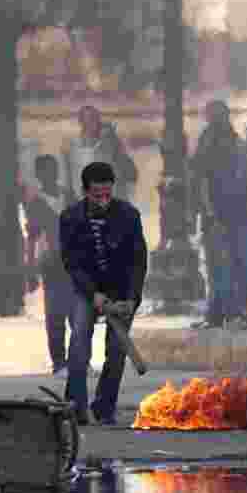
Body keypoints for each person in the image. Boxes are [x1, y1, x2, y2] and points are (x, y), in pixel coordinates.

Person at [60, 162, 148, 426]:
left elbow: (138, 260)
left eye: (108, 194)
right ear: (85, 192)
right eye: (97, 195)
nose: (104, 200)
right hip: (86, 289)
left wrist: (132, 298)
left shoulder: (129, 215)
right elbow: (71, 263)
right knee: (78, 345)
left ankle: (104, 407)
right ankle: (75, 407)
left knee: (117, 350)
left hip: (121, 289)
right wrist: (93, 294)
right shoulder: (70, 218)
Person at [190, 100, 247, 329]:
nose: (216, 119)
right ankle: (220, 313)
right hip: (217, 217)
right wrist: (208, 213)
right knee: (220, 267)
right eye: (213, 115)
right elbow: (200, 182)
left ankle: (237, 310)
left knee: (246, 263)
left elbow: (246, 183)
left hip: (240, 215)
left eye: (219, 114)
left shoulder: (239, 145)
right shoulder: (206, 145)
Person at [23, 154, 74, 376]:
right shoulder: (35, 203)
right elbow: (32, 237)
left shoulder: (69, 196)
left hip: (74, 261)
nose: (49, 175)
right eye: (45, 172)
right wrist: (30, 267)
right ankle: (59, 362)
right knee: (55, 314)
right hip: (51, 262)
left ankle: (78, 360)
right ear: (39, 176)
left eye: (52, 170)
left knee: (78, 313)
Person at [61, 106, 138, 204]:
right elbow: (69, 181)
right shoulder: (72, 148)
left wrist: (116, 143)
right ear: (81, 122)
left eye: (95, 120)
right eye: (89, 120)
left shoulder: (111, 145)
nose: (95, 124)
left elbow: (131, 173)